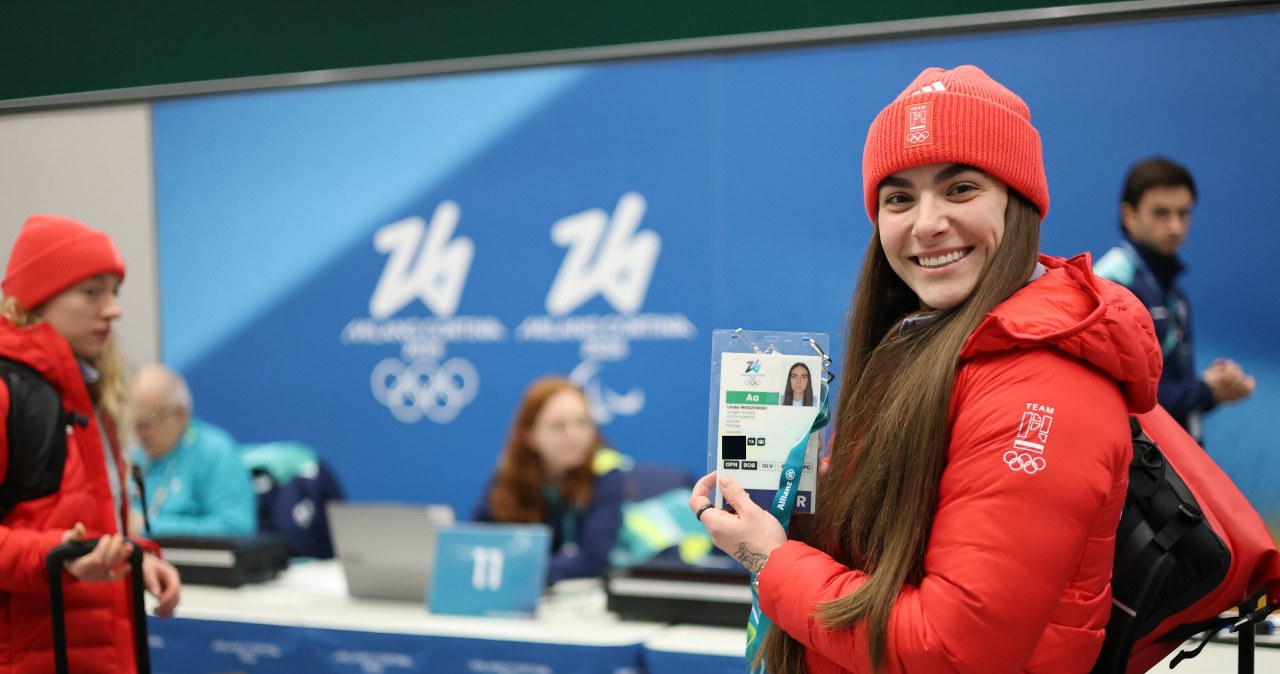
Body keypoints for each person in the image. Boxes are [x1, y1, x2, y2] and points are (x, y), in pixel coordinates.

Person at [691, 66, 1162, 673]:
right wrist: (787, 502)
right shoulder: (930, 343)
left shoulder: (1043, 384)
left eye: (961, 188)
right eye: (899, 198)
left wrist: (773, 561)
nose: (926, 223)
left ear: (1019, 203)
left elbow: (950, 651)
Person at [0, 214, 181, 673]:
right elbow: (61, 542)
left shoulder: (89, 395)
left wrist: (133, 557)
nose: (114, 309)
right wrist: (58, 558)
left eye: (115, 292)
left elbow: (86, 523)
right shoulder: (8, 392)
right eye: (92, 292)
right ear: (40, 298)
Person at [1094, 157, 1254, 444]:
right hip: (1139, 471)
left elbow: (1167, 392)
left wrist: (1215, 387)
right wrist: (1205, 390)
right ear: (1129, 215)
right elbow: (1119, 397)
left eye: (1183, 213)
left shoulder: (1174, 293)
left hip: (1172, 465)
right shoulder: (1110, 285)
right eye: (1161, 213)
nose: (1175, 227)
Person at [473, 376, 626, 582]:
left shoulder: (606, 471)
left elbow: (593, 560)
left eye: (582, 423)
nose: (573, 435)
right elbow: (475, 542)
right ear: (530, 436)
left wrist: (517, 568)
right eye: (558, 426)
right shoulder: (511, 472)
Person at [129, 364, 256, 537]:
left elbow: (236, 529)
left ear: (180, 415)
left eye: (146, 424)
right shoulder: (139, 457)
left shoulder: (216, 453)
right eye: (134, 424)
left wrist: (149, 527)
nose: (138, 435)